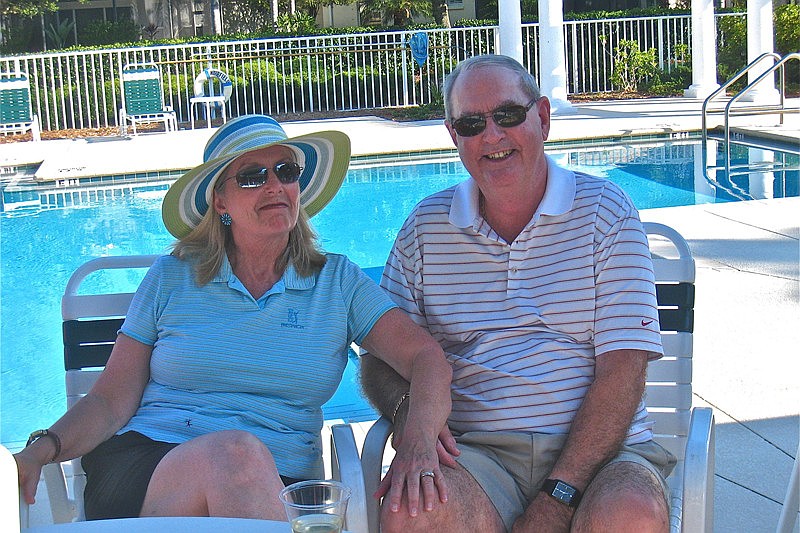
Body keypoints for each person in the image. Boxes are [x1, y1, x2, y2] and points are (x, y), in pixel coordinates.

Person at [15, 115, 452, 522]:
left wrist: (416, 437)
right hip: (150, 469)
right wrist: (43, 447)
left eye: (286, 170)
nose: (275, 186)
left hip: (276, 483)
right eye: (252, 176)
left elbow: (425, 359)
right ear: (220, 201)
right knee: (236, 456)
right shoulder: (171, 278)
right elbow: (110, 402)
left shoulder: (336, 282)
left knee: (241, 461)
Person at [360, 55, 677, 533]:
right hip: (478, 454)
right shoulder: (426, 228)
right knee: (413, 509)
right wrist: (411, 418)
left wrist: (558, 497)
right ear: (454, 136)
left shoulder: (606, 213)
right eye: (471, 123)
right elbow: (380, 356)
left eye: (508, 115)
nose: (492, 135)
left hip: (604, 453)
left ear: (543, 118)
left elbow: (624, 369)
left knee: (630, 514)